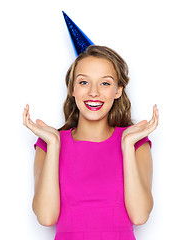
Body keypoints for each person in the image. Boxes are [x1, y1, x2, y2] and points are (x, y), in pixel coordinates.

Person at [23, 45, 159, 240]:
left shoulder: (136, 142)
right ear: (72, 89)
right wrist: (53, 144)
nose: (93, 92)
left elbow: (139, 216)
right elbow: (46, 217)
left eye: (105, 83)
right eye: (84, 82)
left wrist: (127, 145)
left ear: (118, 90)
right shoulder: (49, 143)